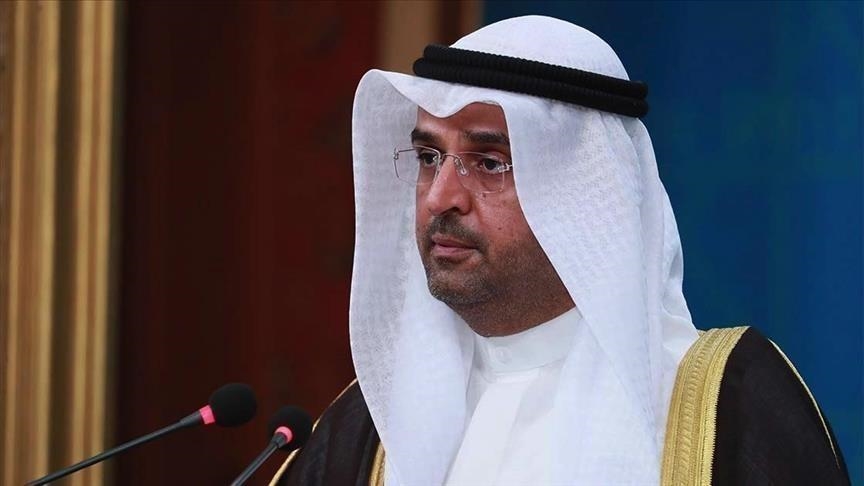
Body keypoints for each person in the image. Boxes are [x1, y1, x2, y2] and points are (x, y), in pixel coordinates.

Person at [271, 16, 849, 485]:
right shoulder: (368, 428)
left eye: (489, 163)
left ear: (588, 195)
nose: (440, 197)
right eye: (429, 157)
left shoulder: (722, 410)